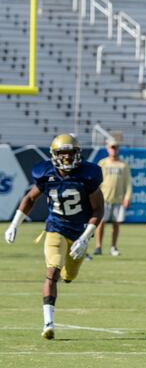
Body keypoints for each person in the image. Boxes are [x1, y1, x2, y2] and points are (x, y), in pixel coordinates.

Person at [4, 134, 103, 340]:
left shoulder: (88, 174)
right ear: (54, 155)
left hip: (79, 232)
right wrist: (15, 224)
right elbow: (30, 198)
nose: (66, 158)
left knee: (68, 276)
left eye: (70, 154)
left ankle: (68, 272)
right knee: (52, 273)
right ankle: (48, 323)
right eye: (62, 154)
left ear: (78, 154)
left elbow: (98, 210)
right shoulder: (45, 172)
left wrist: (85, 237)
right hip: (55, 228)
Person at [94, 138, 132, 256]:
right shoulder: (103, 163)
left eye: (115, 147)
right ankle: (98, 247)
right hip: (104, 198)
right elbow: (96, 181)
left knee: (116, 224)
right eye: (112, 147)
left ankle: (113, 247)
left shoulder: (123, 165)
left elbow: (128, 183)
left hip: (118, 199)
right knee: (101, 223)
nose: (114, 150)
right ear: (108, 149)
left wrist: (127, 197)